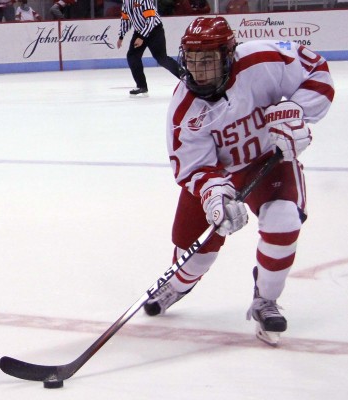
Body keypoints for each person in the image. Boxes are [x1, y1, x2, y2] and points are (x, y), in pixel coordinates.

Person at [143, 16, 334, 345]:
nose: (198, 70)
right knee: (196, 252)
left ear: (229, 54)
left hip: (267, 161)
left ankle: (266, 299)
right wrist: (215, 196)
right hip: (219, 173)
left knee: (284, 221)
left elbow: (318, 72)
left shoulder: (264, 60)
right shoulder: (184, 108)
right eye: (191, 60)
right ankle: (178, 284)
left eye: (208, 60)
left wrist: (296, 112)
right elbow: (191, 167)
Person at [117, 0, 181, 97]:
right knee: (132, 56)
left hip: (154, 30)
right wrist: (121, 36)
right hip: (139, 31)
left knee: (161, 58)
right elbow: (125, 19)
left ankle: (185, 77)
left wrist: (142, 37)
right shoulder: (126, 2)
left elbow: (151, 19)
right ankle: (141, 86)